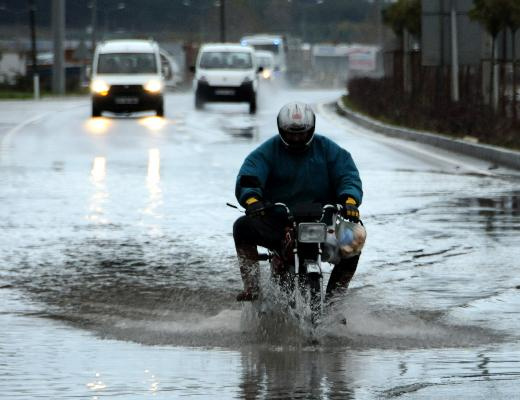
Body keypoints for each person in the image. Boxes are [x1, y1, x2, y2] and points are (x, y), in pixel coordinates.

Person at [233, 102, 363, 303]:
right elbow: (249, 177)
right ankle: (252, 287)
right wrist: (252, 200)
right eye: (290, 133)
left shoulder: (328, 150)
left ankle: (334, 302)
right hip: (278, 223)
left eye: (301, 133)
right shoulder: (267, 152)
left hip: (323, 224)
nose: (296, 138)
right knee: (242, 227)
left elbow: (348, 176)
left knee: (354, 241)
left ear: (311, 129)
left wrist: (350, 200)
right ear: (280, 129)